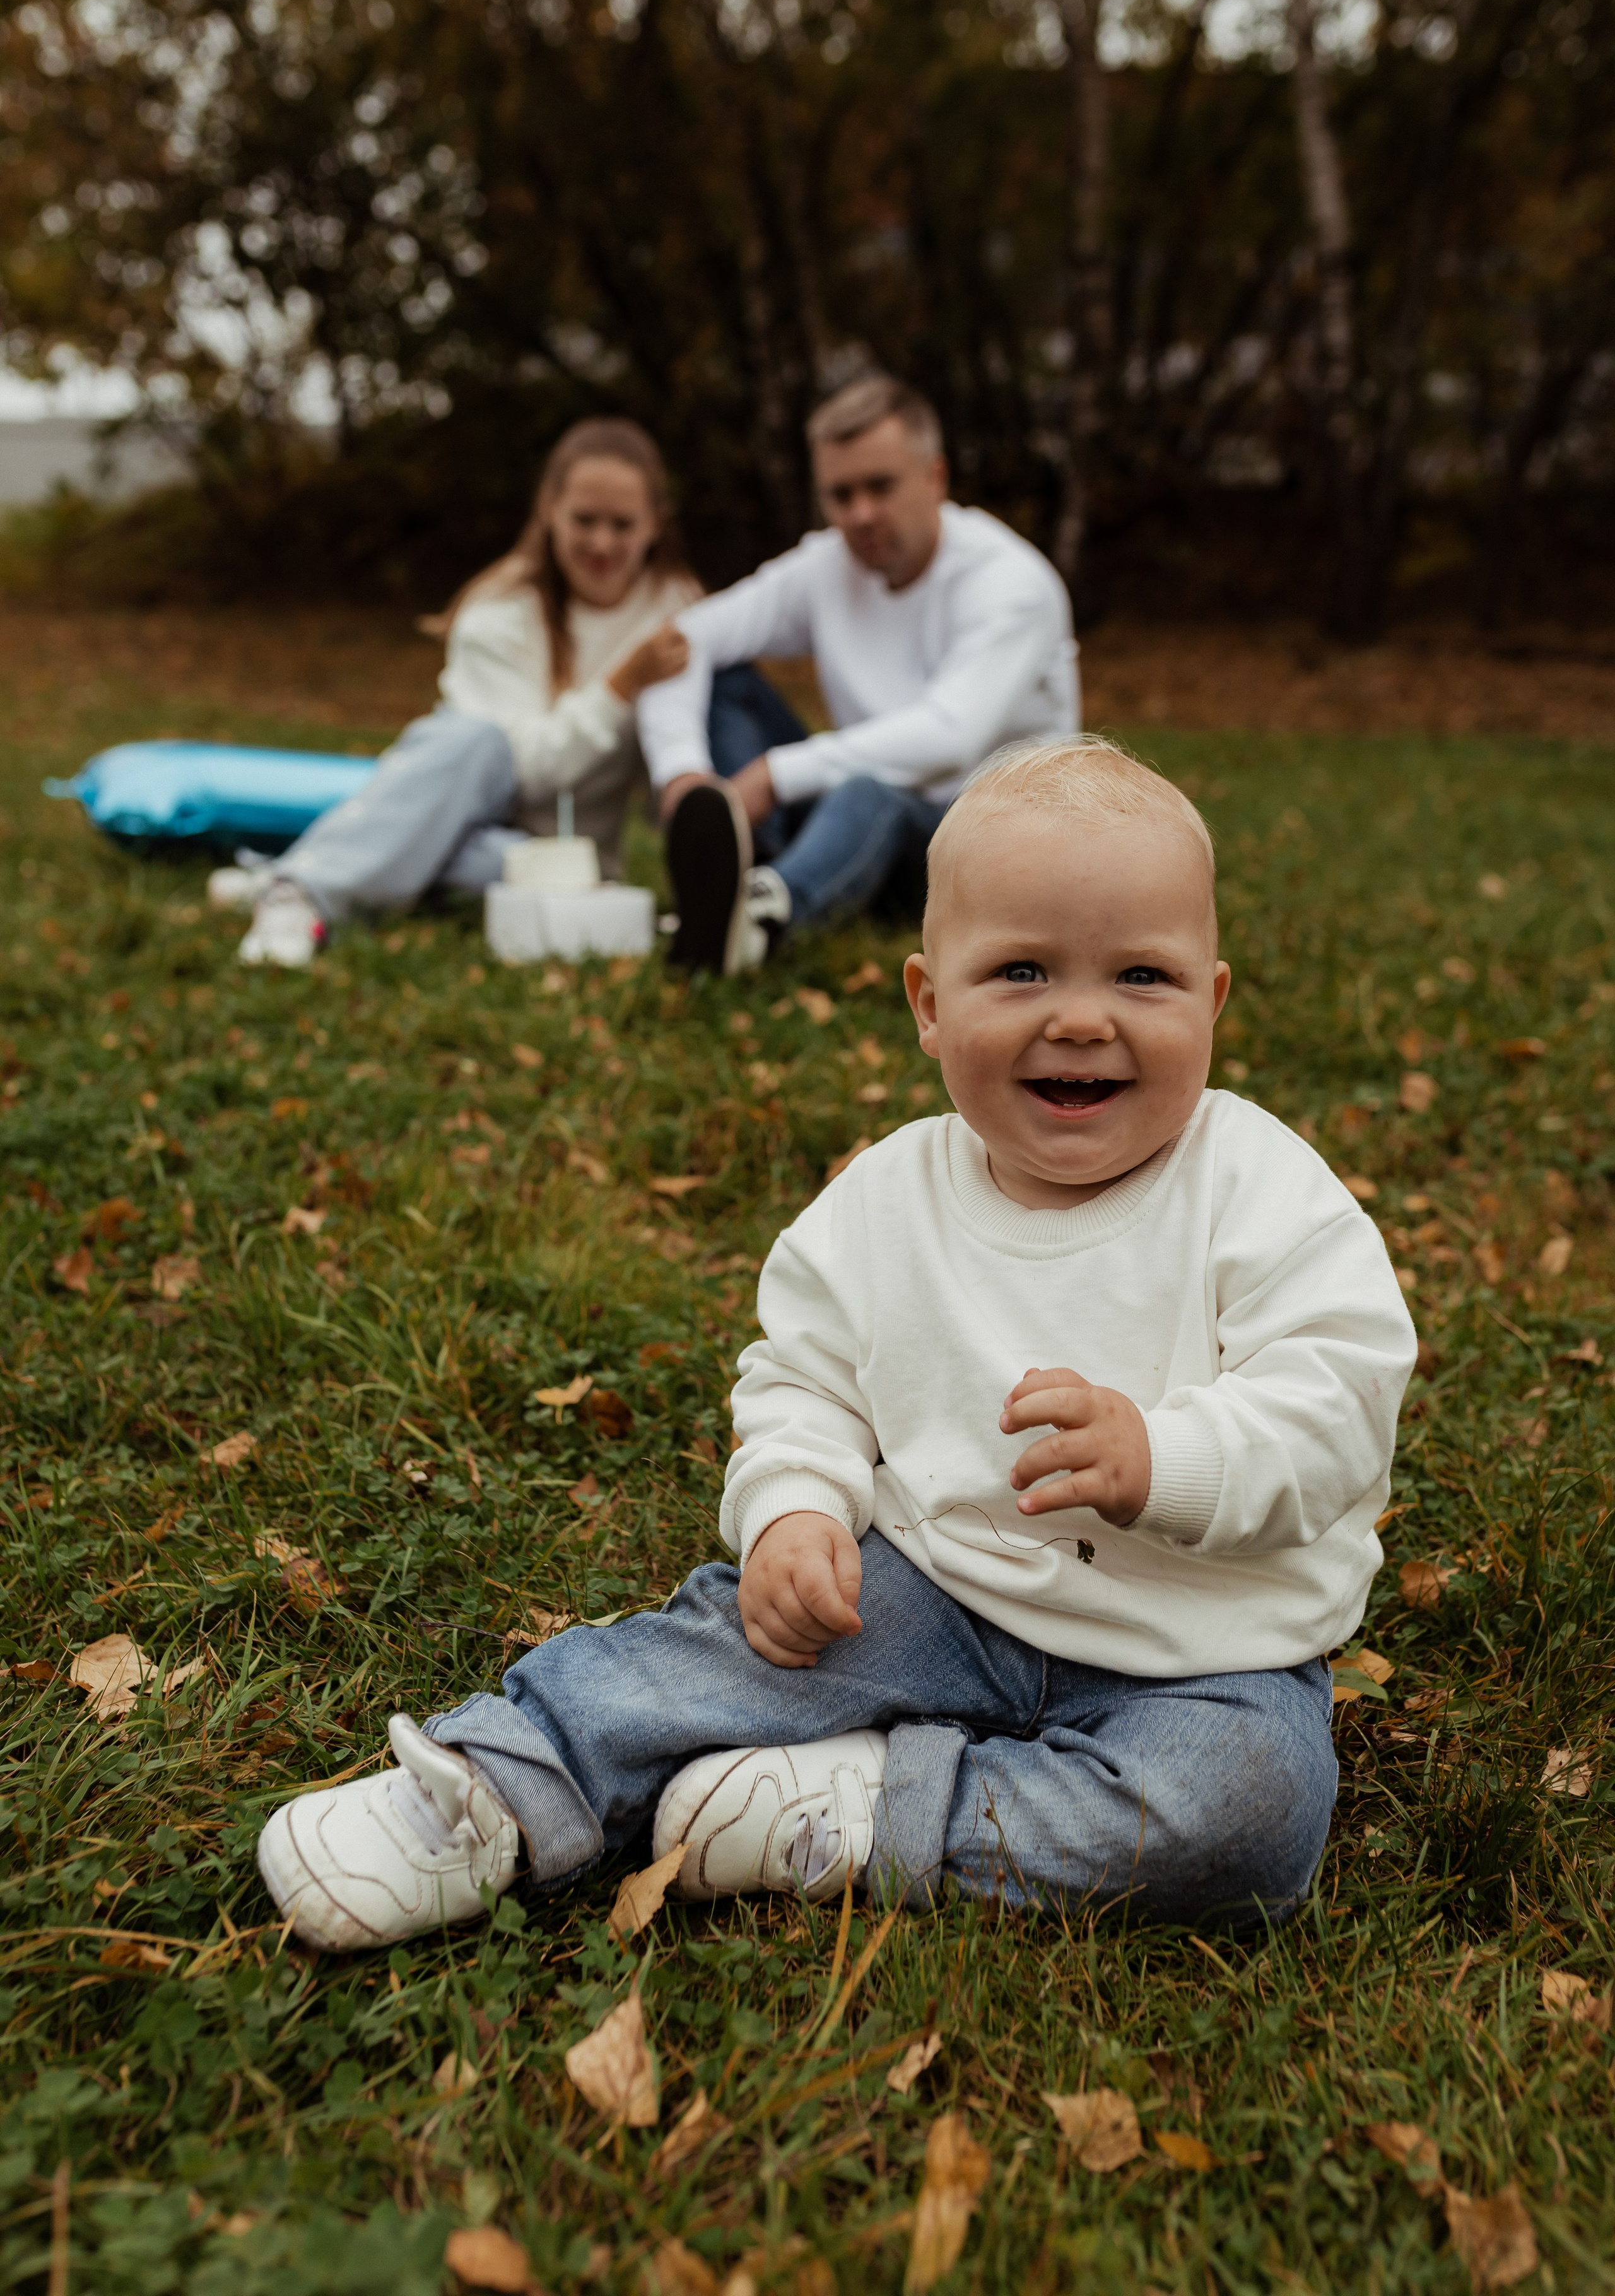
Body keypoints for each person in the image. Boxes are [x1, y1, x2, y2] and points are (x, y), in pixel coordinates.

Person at [255, 736, 1416, 1946]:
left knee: (1253, 1812)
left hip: (1206, 1651)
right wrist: (796, 1510)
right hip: (935, 1587)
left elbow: (1339, 1402)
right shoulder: (885, 1202)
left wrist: (1167, 1461)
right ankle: (494, 1784)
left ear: (1212, 1000)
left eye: (1143, 978)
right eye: (1021, 972)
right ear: (929, 1002)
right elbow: (803, 1382)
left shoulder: (1262, 1188)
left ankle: (858, 1814)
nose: (1082, 1020)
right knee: (714, 1653)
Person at [211, 419, 699, 967]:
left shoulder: (676, 613)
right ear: (549, 509)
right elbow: (527, 768)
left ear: (657, 523)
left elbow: (674, 770)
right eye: (585, 520)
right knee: (475, 740)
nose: (602, 544)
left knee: (437, 850)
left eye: (622, 524)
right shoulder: (498, 613)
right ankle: (295, 895)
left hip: (554, 866)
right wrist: (620, 688)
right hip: (471, 815)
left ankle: (310, 865)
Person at [637, 374, 1079, 976]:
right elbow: (685, 640)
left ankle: (762, 919)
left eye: (880, 487)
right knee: (726, 679)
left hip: (985, 849)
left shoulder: (1011, 583)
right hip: (846, 819)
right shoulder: (827, 565)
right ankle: (736, 878)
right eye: (841, 495)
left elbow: (950, 738)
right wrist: (682, 776)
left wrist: (774, 774)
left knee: (870, 792)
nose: (861, 514)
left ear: (935, 477)